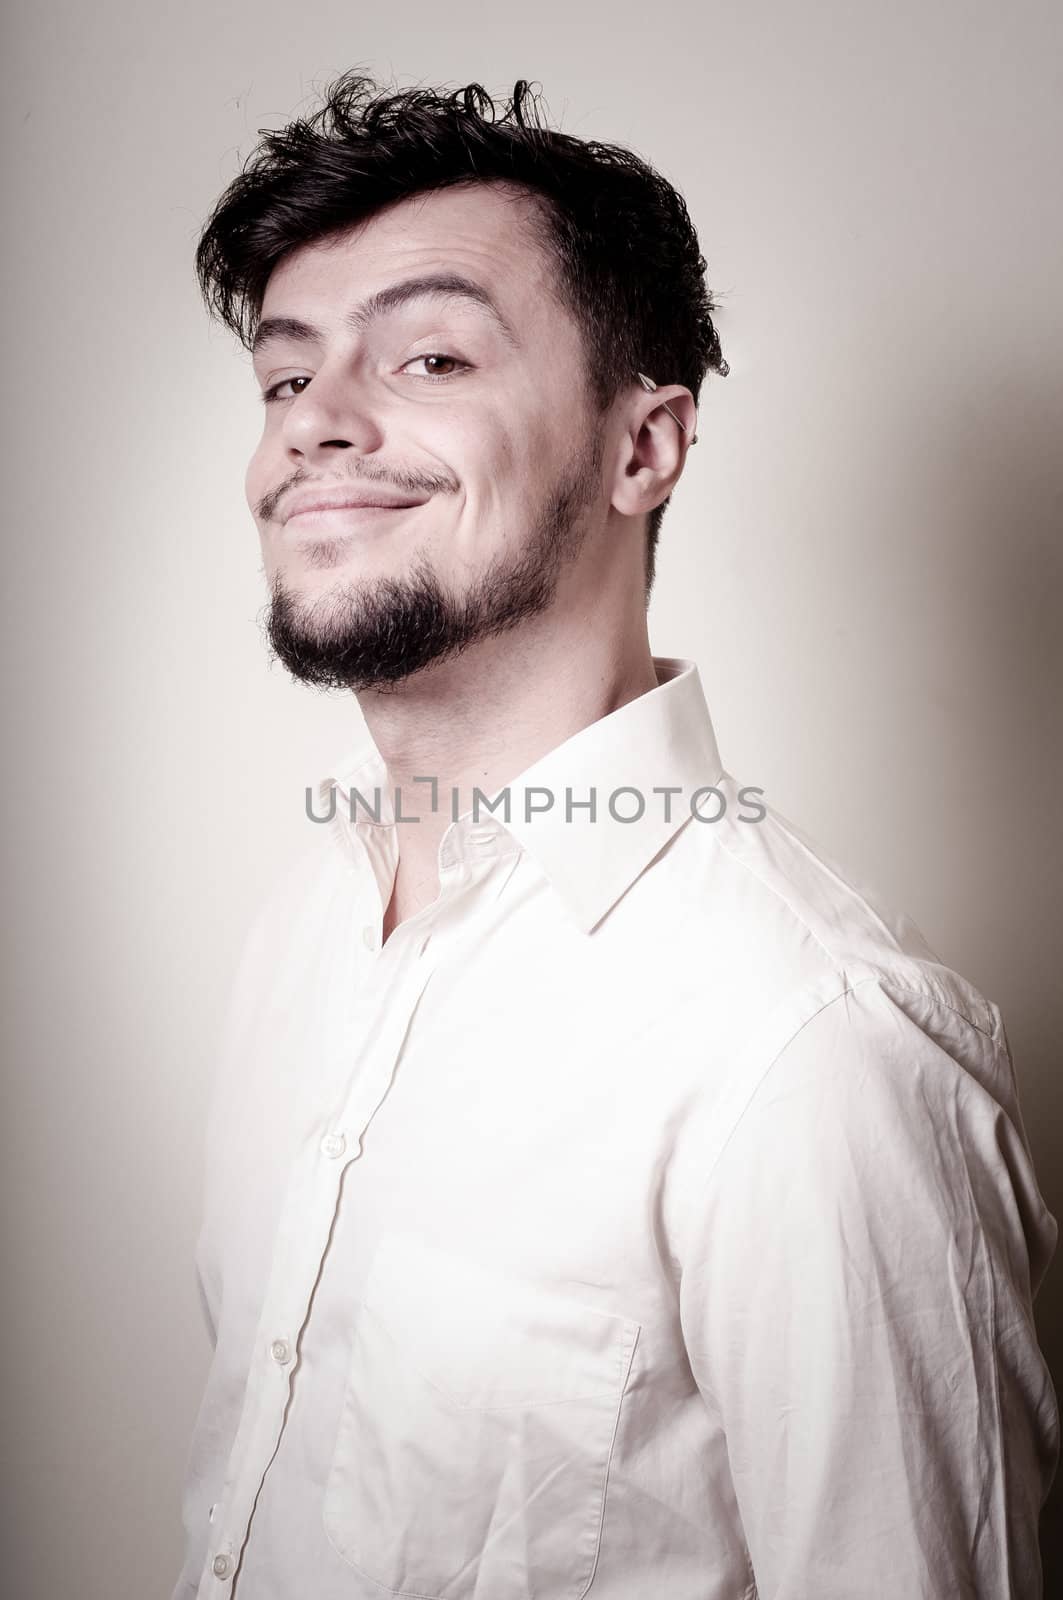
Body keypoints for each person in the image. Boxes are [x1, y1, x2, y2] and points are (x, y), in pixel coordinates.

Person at [174, 71, 1059, 1599]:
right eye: (283, 377)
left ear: (642, 450)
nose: (315, 424)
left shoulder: (815, 1052)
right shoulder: (302, 933)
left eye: (430, 352)